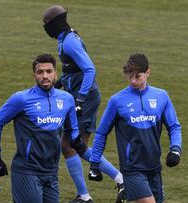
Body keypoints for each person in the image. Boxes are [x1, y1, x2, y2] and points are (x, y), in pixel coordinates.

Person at [42, 5, 125, 203]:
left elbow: (90, 70)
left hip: (84, 99)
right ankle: (118, 180)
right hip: (77, 96)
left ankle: (90, 194)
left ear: (54, 25)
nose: (45, 29)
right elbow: (73, 68)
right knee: (76, 146)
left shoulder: (70, 42)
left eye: (46, 25)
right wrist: (60, 81)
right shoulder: (64, 39)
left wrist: (80, 99)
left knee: (70, 146)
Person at [0, 54, 87, 203]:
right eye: (40, 72)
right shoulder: (21, 99)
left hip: (52, 171)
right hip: (27, 171)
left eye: (49, 71)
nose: (45, 76)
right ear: (34, 75)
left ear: (55, 73)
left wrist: (76, 139)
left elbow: (72, 128)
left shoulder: (66, 99)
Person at [89, 53, 182, 203]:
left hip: (154, 167)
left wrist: (176, 149)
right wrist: (94, 164)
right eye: (129, 76)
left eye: (137, 76)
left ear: (148, 73)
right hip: (132, 168)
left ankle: (124, 196)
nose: (132, 81)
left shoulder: (161, 96)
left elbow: (174, 126)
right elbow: (101, 133)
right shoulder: (117, 101)